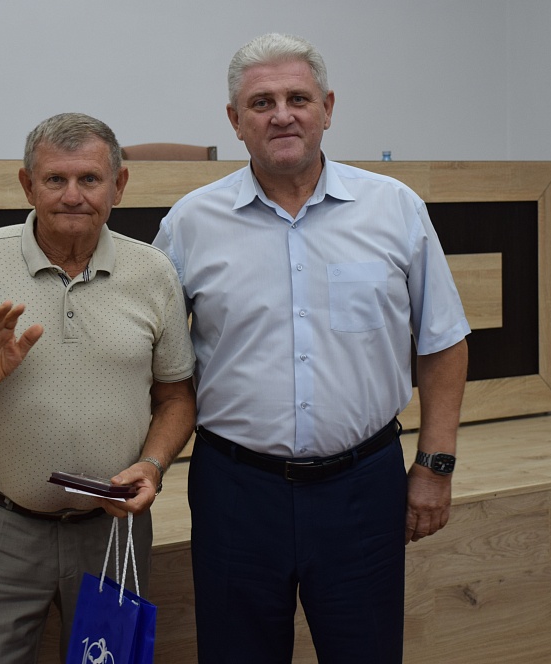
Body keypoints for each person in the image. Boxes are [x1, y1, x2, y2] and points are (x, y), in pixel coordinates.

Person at [153, 33, 470, 664]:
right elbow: (158, 358)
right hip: (235, 492)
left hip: (363, 490)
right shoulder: (190, 223)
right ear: (234, 120)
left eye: (298, 98)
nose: (282, 115)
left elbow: (442, 340)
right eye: (261, 102)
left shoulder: (394, 208)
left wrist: (435, 466)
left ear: (327, 107)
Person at [0, 112, 196, 664]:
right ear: (27, 185)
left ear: (118, 186)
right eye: (55, 179)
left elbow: (177, 397)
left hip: (114, 534)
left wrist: (153, 465)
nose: (72, 195)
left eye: (89, 179)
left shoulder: (153, 272)